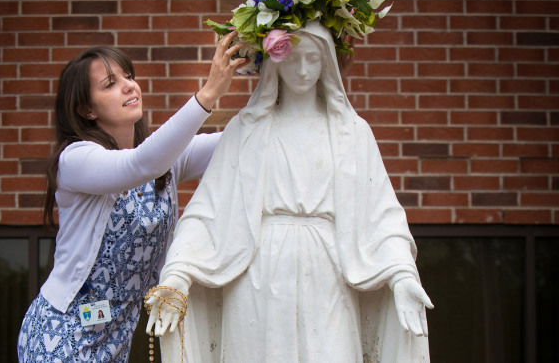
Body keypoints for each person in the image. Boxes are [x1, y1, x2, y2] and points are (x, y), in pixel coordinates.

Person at [146, 22, 433, 362]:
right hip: (258, 270)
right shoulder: (246, 129)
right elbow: (208, 211)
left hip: (328, 269)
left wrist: (401, 274)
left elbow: (382, 214)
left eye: (313, 58)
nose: (302, 69)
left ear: (327, 62)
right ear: (275, 61)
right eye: (292, 57)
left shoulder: (352, 133)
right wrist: (178, 272)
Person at [17, 31, 248, 362]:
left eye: (129, 77)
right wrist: (208, 94)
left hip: (115, 338)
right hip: (59, 334)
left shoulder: (165, 160)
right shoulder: (76, 159)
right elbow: (139, 164)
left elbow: (239, 142)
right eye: (110, 84)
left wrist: (273, 82)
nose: (129, 86)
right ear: (86, 110)